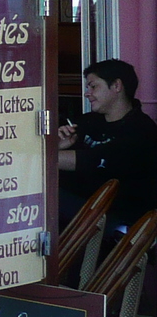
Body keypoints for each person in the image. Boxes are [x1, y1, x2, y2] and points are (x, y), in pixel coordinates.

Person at [58, 58, 157, 227]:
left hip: (117, 223)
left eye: (93, 86)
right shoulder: (88, 121)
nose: (87, 93)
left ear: (117, 86)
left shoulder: (141, 130)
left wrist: (40, 157)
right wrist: (57, 145)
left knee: (47, 197)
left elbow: (93, 160)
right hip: (81, 217)